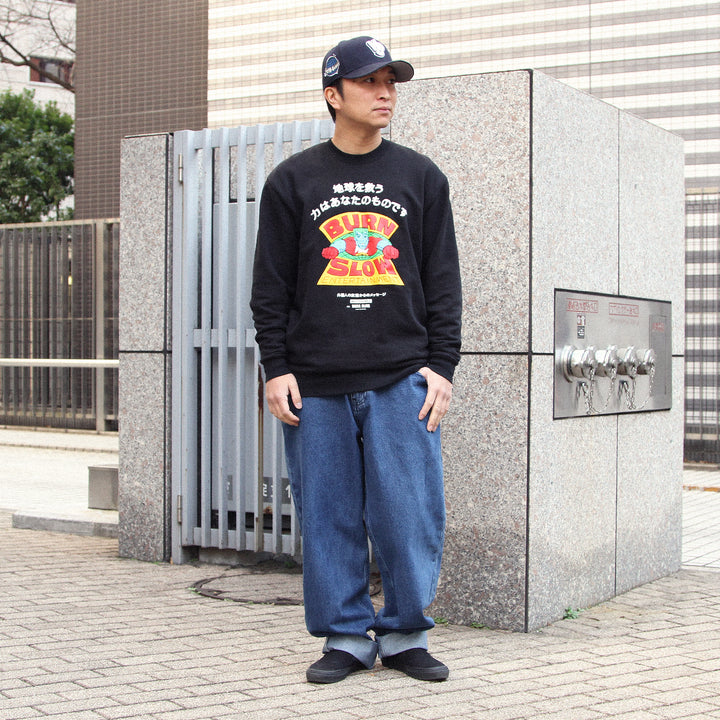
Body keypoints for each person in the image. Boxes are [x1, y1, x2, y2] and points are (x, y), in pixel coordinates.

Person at [250, 36, 462, 684]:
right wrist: (276, 367)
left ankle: (404, 634)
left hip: (402, 377)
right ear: (333, 94)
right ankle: (345, 637)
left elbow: (443, 281)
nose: (384, 93)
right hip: (315, 382)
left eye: (390, 82)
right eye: (369, 82)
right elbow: (270, 288)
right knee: (329, 516)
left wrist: (443, 367)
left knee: (408, 515)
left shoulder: (421, 178)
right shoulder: (293, 181)